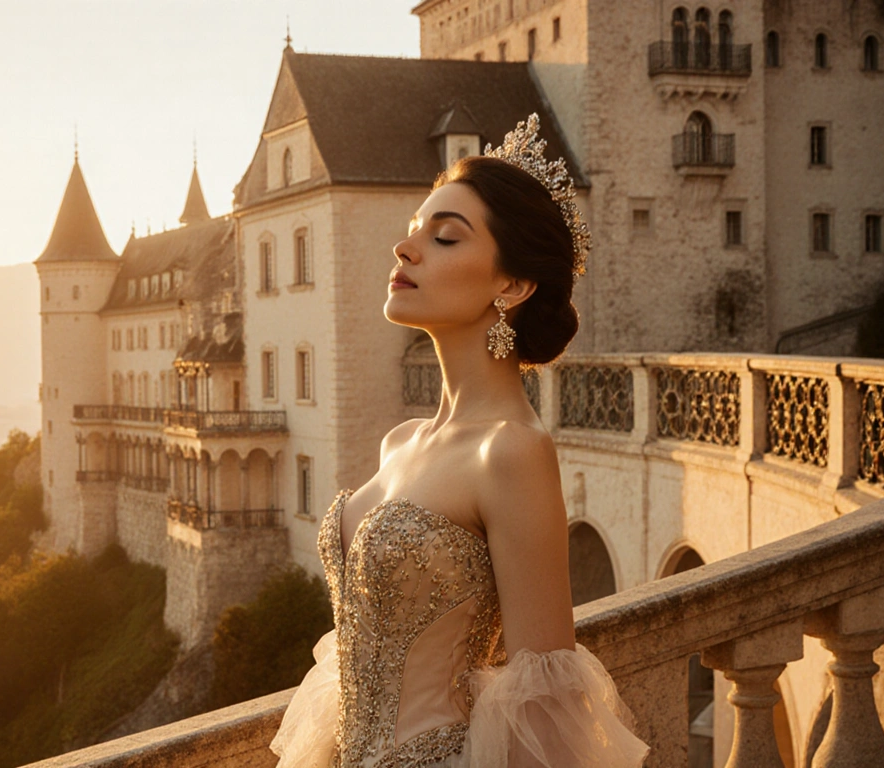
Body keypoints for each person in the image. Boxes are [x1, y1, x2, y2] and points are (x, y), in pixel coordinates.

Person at [269, 115, 650, 768]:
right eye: (414, 230)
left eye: (444, 237)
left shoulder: (512, 450)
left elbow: (547, 701)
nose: (406, 248)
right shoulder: (401, 441)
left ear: (512, 285)